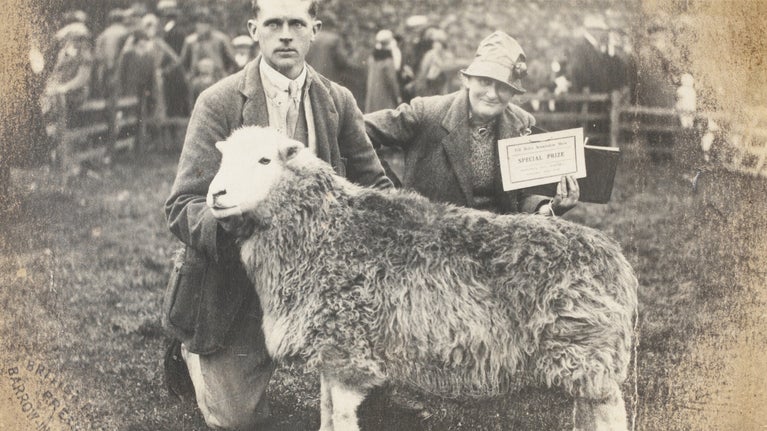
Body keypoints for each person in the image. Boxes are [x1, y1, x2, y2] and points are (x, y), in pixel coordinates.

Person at [162, 0, 392, 429]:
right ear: (254, 29)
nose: (285, 34)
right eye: (273, 23)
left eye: (296, 23)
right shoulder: (218, 102)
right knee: (236, 420)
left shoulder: (337, 101)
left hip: (322, 287)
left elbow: (376, 186)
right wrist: (237, 225)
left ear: (314, 29)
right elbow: (182, 206)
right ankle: (190, 347)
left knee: (378, 398)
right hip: (238, 284)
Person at [365, 31, 579, 216]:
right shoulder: (426, 113)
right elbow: (360, 131)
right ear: (467, 80)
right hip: (431, 243)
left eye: (503, 87)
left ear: (513, 93)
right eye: (485, 82)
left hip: (496, 245)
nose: (492, 94)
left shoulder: (522, 124)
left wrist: (549, 207)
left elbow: (522, 195)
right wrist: (392, 194)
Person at [364, 29, 402, 113]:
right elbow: (392, 81)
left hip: (372, 95)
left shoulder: (372, 58)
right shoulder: (388, 61)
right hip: (385, 97)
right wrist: (397, 96)